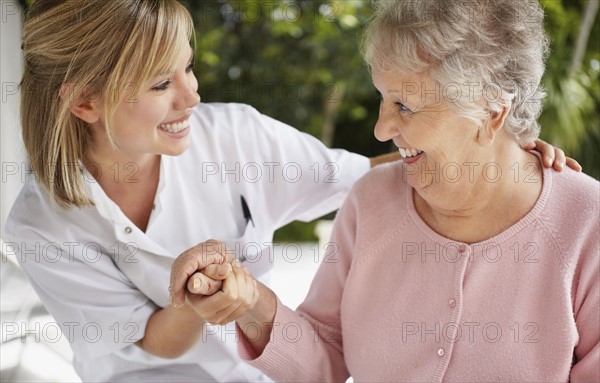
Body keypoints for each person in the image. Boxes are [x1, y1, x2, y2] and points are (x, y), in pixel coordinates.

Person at [4, 0, 580, 382]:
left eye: (189, 69)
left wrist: (504, 152)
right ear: (85, 103)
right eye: (161, 84)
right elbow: (157, 345)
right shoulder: (40, 226)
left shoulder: (235, 137)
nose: (192, 97)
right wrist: (201, 299)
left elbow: (365, 174)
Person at [171, 0, 599, 381]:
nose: (380, 129)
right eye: (383, 98)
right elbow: (326, 358)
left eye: (404, 105)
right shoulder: (370, 200)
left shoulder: (586, 224)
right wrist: (250, 303)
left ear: (491, 113)